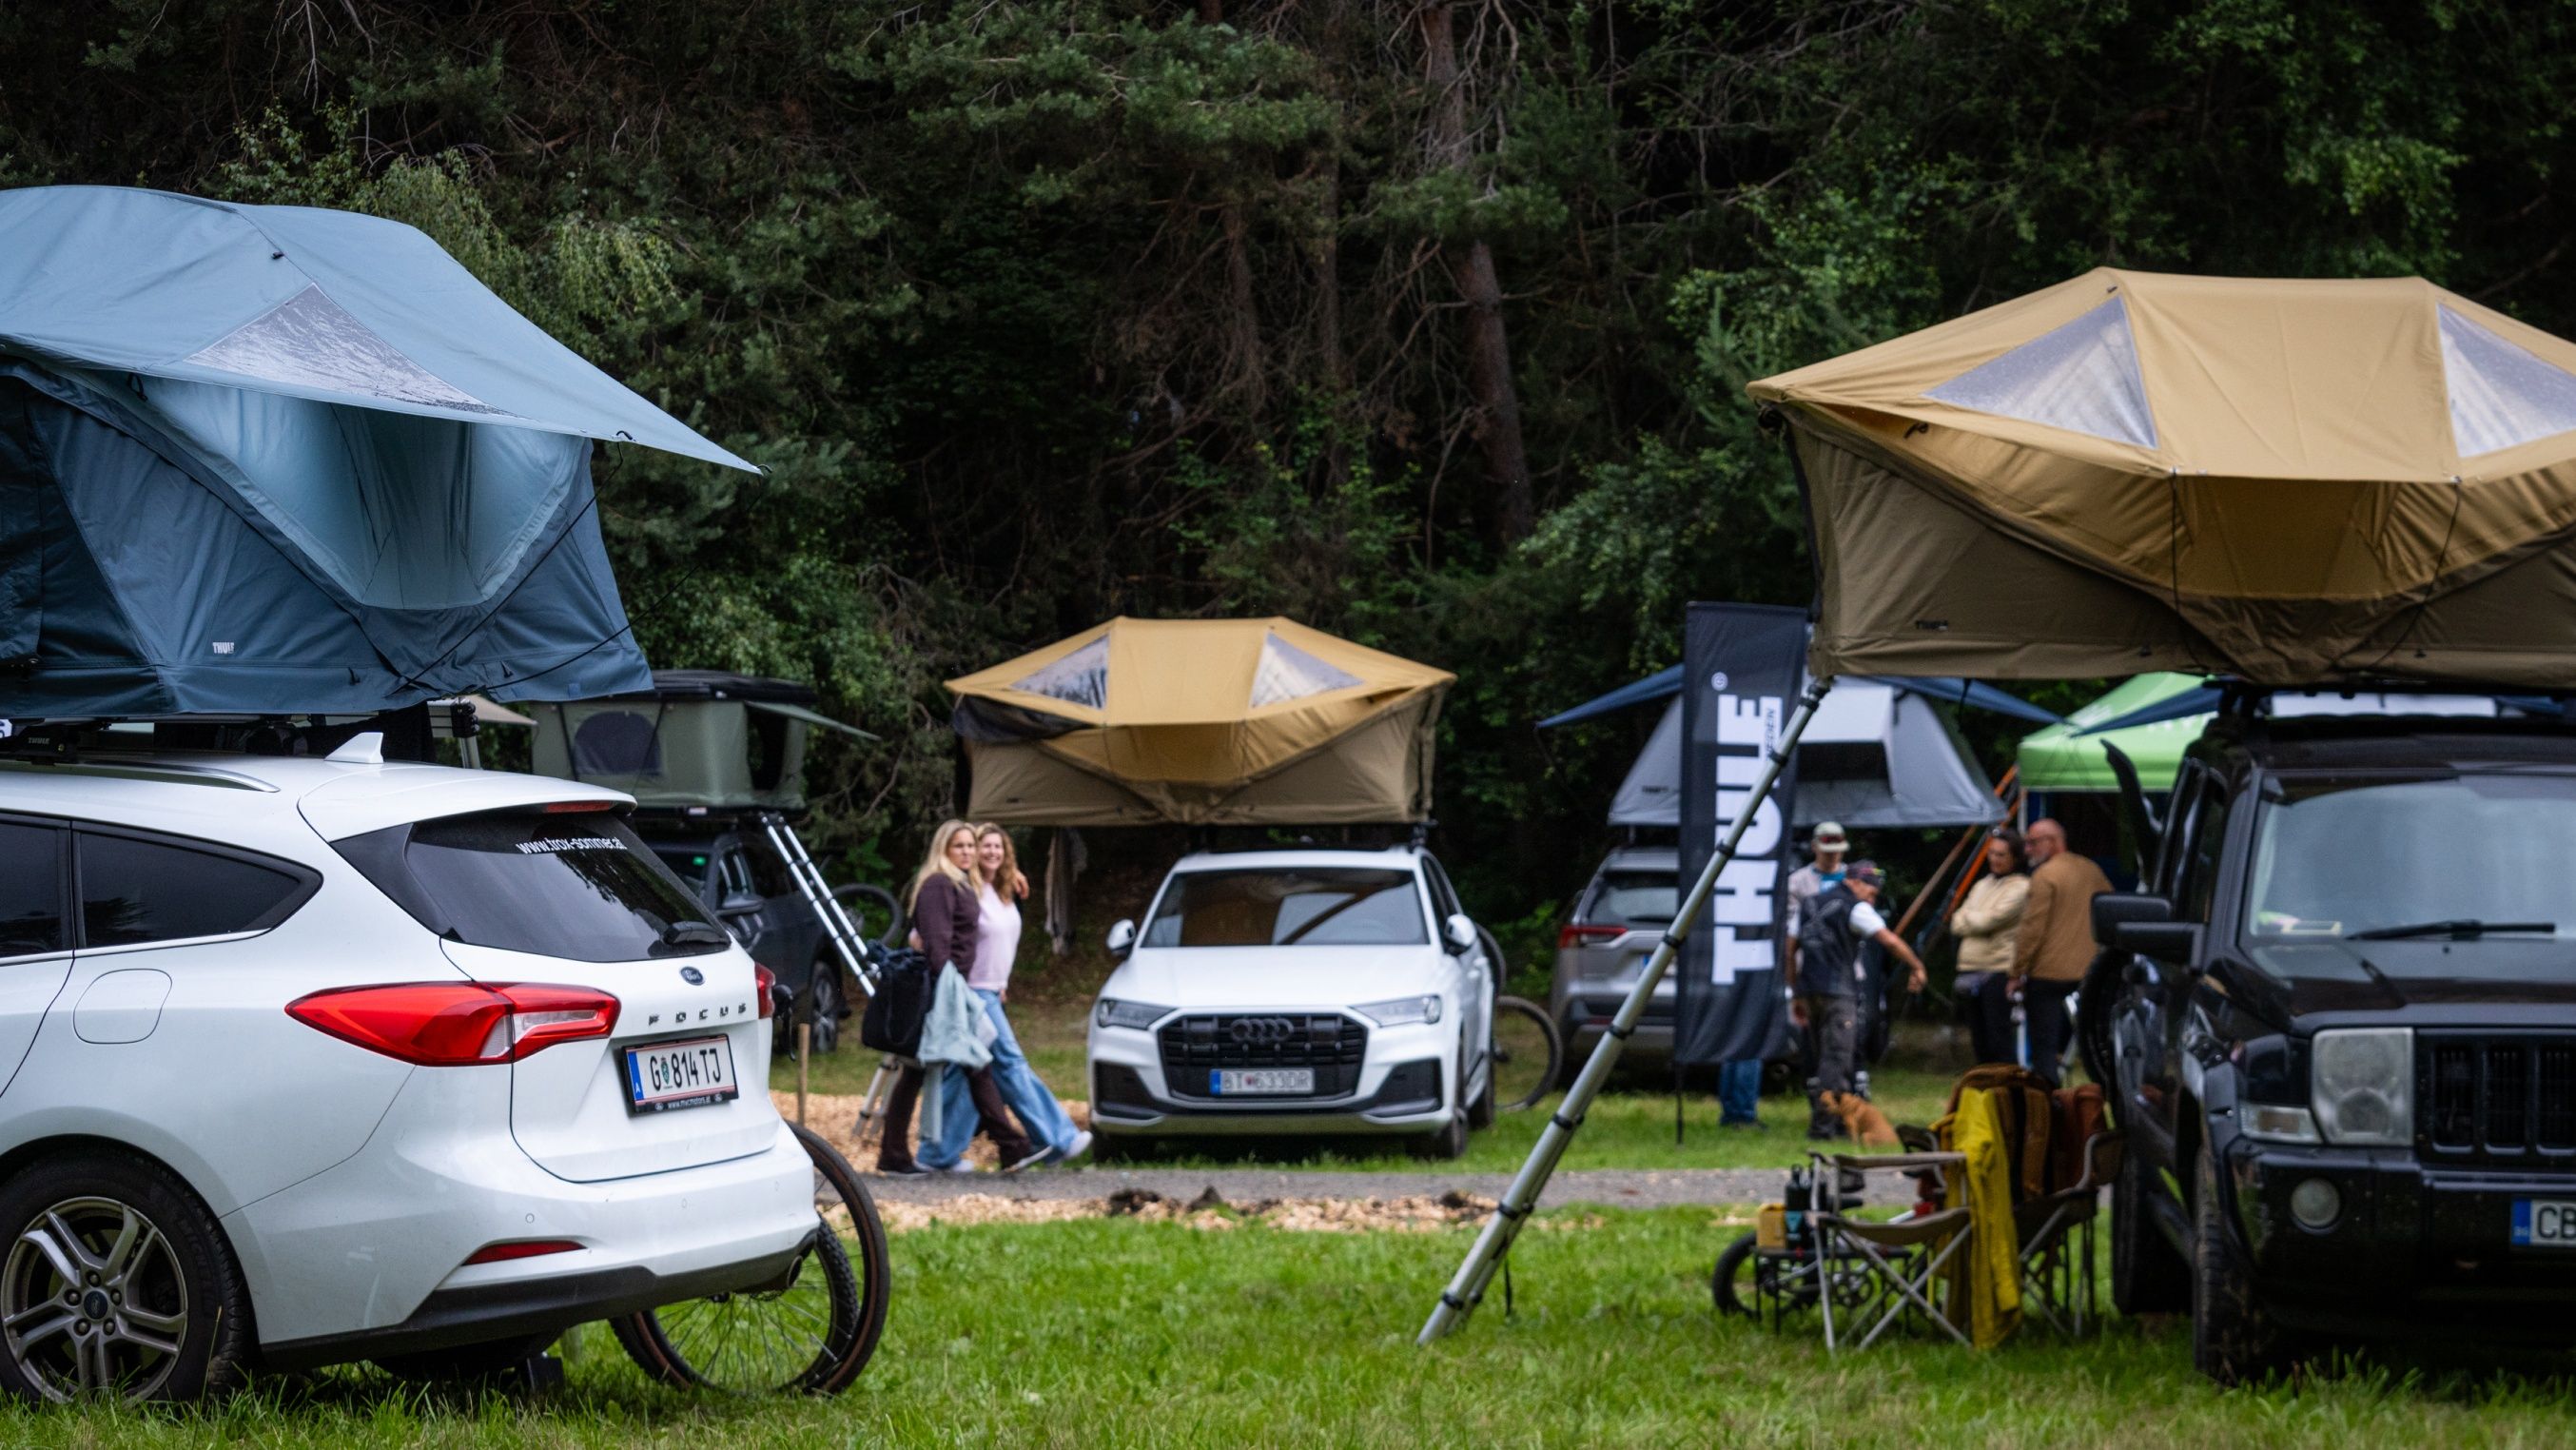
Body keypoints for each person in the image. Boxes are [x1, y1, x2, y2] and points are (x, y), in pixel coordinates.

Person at [874, 820, 1041, 1178]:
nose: (967, 852)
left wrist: (1014, 876)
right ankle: (1010, 1145)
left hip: (951, 986)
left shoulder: (959, 883)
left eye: (969, 846)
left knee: (919, 1071)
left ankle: (895, 1154)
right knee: (976, 1063)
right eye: (959, 846)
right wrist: (950, 992)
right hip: (944, 990)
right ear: (944, 850)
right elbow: (937, 946)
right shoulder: (938, 885)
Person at [924, 825, 1093, 1166]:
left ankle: (936, 1153)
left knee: (966, 1075)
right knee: (1011, 1064)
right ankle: (1059, 1137)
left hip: (990, 989)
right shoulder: (964, 887)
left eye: (996, 847)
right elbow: (931, 930)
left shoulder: (1004, 890)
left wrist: (1001, 981)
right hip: (971, 992)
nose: (989, 852)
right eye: (982, 846)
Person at [1787, 860, 1927, 1140]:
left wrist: (1796, 992)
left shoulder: (1808, 904)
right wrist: (1917, 966)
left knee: (1821, 1058)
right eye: (1871, 892)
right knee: (1837, 1060)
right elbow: (1889, 941)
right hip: (1839, 992)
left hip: (1809, 990)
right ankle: (1824, 1128)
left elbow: (1790, 948)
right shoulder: (1855, 907)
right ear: (1854, 882)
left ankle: (1838, 1124)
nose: (1871, 900)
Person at [2012, 817, 2113, 1085]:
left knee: (2044, 1043)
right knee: (2095, 1041)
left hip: (2048, 973)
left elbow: (2033, 929)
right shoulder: (2092, 870)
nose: (2028, 850)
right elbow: (2111, 912)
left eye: (2032, 843)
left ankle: (2048, 1096)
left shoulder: (2045, 875)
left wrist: (2017, 971)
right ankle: (2101, 1088)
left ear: (2053, 842)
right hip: (2089, 972)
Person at [1949, 828, 2031, 1065]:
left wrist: (1971, 919)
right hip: (1970, 969)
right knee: (1979, 1039)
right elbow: (1956, 921)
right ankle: (1987, 1089)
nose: (1994, 859)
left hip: (1998, 970)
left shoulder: (2022, 887)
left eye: (2001, 855)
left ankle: (2008, 1089)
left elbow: (1989, 920)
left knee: (1998, 1038)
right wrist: (1973, 920)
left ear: (2015, 858)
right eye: (1992, 853)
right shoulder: (1982, 884)